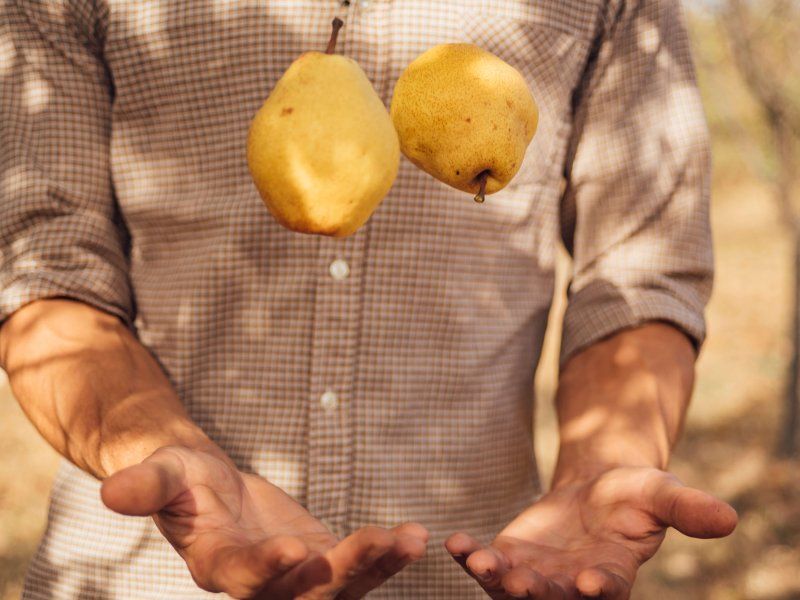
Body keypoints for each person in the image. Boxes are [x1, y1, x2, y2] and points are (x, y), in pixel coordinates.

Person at [0, 0, 738, 598]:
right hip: (140, 571)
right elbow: (43, 267)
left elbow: (640, 271)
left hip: (481, 569)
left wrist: (600, 469)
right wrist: (157, 449)